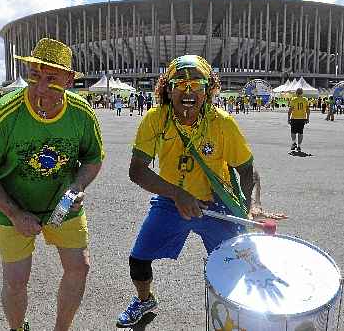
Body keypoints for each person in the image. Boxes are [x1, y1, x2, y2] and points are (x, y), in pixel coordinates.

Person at [116, 55, 282, 327]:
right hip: (171, 201)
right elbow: (137, 170)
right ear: (167, 89)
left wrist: (253, 205)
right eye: (180, 83)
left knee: (236, 265)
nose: (188, 90)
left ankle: (238, 317)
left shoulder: (222, 123)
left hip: (216, 205)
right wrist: (177, 195)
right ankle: (145, 300)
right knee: (139, 259)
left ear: (209, 90)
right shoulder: (156, 118)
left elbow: (248, 170)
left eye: (197, 83)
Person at [0, 38, 104, 331]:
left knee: (79, 268)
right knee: (16, 282)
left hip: (62, 205)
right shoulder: (4, 114)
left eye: (51, 78)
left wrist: (78, 186)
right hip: (11, 207)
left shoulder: (81, 113)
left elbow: (93, 159)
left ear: (69, 80)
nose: (40, 87)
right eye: (34, 76)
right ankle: (18, 328)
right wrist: (15, 214)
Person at [287, 88, 310, 153]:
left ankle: (294, 142)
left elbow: (290, 110)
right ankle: (299, 146)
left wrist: (288, 118)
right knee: (300, 132)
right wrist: (307, 118)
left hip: (294, 118)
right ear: (302, 93)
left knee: (293, 132)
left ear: (296, 93)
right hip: (302, 118)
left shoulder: (293, 100)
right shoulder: (305, 100)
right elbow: (308, 110)